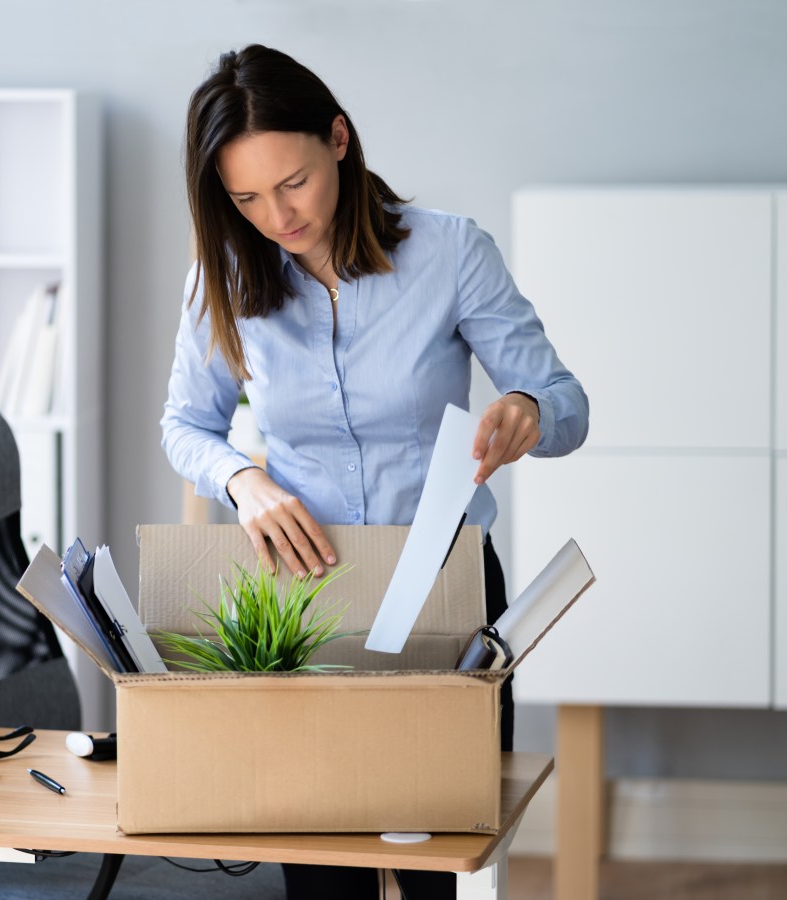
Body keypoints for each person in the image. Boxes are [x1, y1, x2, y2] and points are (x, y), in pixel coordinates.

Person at [161, 44, 588, 899]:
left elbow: (565, 401)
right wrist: (244, 481)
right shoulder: (226, 274)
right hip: (301, 597)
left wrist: (527, 413)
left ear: (340, 140)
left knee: (439, 857)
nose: (277, 215)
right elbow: (185, 426)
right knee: (320, 868)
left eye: (293, 183)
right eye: (245, 198)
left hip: (446, 589)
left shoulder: (451, 252)